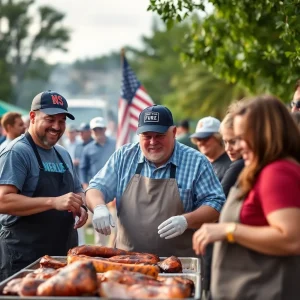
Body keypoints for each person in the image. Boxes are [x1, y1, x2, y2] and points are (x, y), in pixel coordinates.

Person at [193, 95, 300, 300]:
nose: (237, 147)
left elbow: (291, 239)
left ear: (265, 134)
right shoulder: (259, 169)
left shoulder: (277, 172)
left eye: (242, 138)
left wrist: (228, 230)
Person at [85, 105, 225, 257]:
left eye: (159, 135)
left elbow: (215, 203)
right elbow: (96, 187)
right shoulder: (124, 157)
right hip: (127, 264)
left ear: (174, 132)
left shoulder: (196, 162)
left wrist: (187, 220)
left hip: (179, 266)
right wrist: (99, 207)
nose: (153, 142)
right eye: (147, 136)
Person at [0, 90, 88, 281]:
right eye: (50, 119)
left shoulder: (62, 153)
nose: (57, 126)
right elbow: (3, 201)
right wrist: (53, 202)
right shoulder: (17, 152)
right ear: (32, 116)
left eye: (62, 120)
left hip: (59, 254)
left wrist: (80, 205)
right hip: (24, 257)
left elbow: (77, 189)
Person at [79, 117, 116, 190]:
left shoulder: (115, 144)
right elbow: (83, 168)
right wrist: (85, 184)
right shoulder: (87, 149)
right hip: (95, 186)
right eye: (95, 130)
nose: (98, 131)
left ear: (105, 129)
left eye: (100, 129)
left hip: (114, 185)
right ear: (91, 131)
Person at [190, 116, 231, 181]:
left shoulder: (230, 165)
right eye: (198, 139)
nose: (201, 143)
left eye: (205, 138)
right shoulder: (199, 165)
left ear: (218, 138)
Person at [219, 111, 244, 198]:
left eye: (233, 142)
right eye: (225, 142)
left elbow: (218, 200)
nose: (227, 148)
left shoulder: (239, 165)